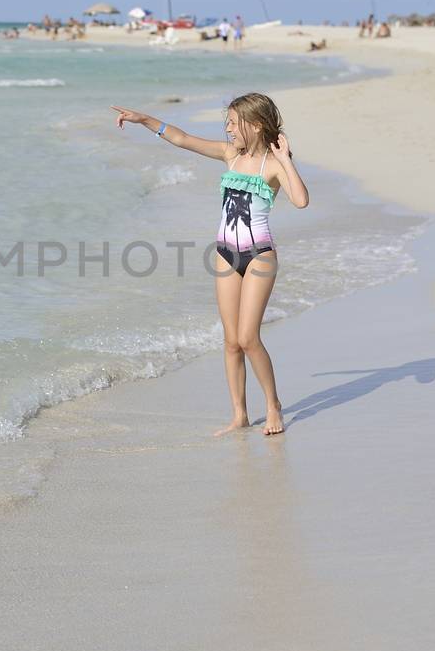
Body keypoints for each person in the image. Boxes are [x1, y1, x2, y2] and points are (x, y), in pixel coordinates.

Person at [110, 94, 310, 436]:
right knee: (231, 340)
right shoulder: (230, 155)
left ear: (256, 125)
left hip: (259, 254)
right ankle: (239, 414)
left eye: (234, 123)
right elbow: (183, 139)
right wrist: (145, 120)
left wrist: (285, 158)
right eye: (228, 123)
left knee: (249, 338)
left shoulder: (272, 166)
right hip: (225, 255)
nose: (229, 130)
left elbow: (302, 201)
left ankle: (273, 404)